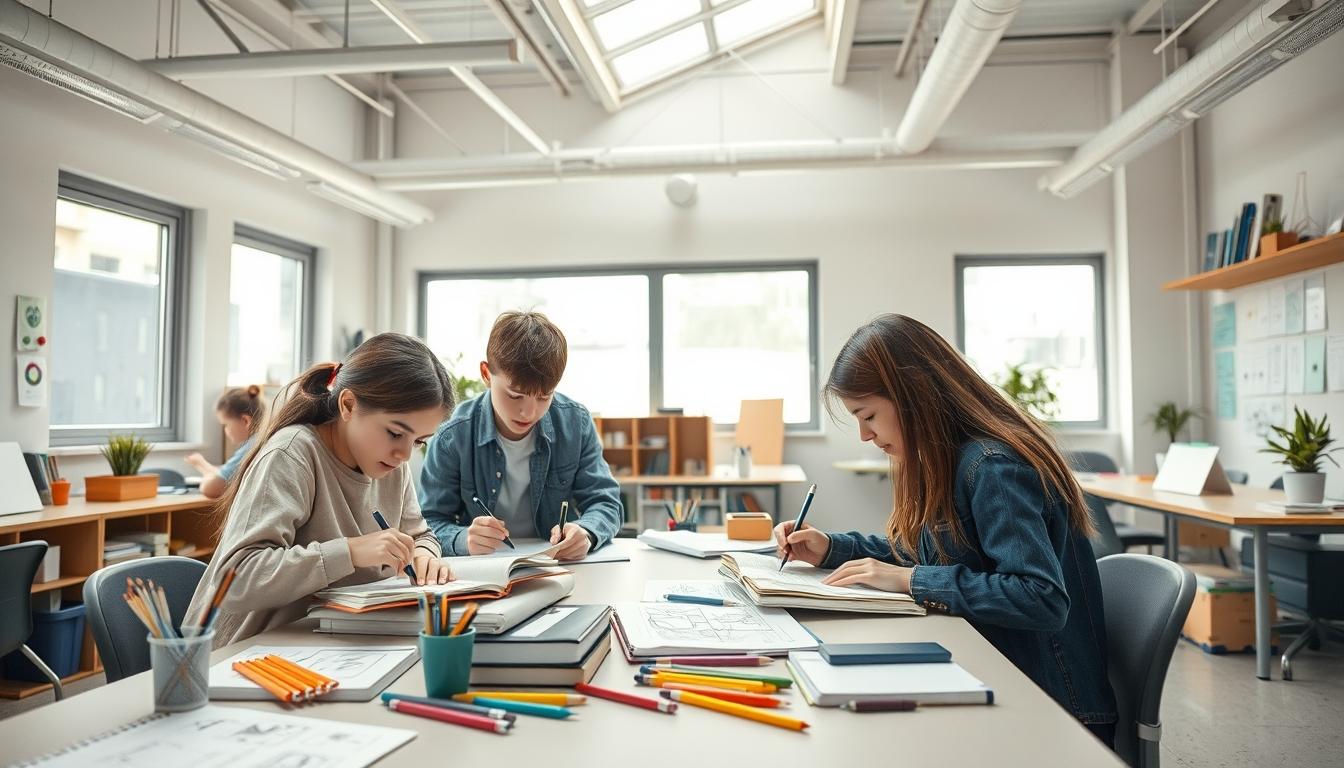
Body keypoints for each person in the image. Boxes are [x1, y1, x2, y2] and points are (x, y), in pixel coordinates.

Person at [775, 314, 1116, 744]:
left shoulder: (993, 465)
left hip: (1055, 708)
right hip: (1005, 672)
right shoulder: (951, 459)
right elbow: (928, 551)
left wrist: (912, 580)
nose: (865, 435)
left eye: (869, 416)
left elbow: (1040, 598)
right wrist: (830, 549)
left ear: (913, 395)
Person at [186, 333, 456, 646]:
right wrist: (351, 551)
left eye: (419, 441)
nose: (405, 454)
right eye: (396, 433)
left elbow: (419, 534)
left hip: (325, 644)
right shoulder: (291, 454)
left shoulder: (389, 461)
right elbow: (235, 578)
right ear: (348, 405)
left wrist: (424, 553)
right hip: (242, 654)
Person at [420, 310, 622, 559]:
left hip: (558, 568)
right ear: (486, 374)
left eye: (544, 396)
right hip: (484, 572)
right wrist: (463, 539)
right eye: (515, 395)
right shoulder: (453, 436)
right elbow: (428, 522)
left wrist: (587, 532)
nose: (529, 412)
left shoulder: (576, 423)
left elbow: (606, 503)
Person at [186, 385, 266, 499]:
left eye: (226, 425)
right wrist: (201, 464)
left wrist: (205, 476)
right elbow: (227, 474)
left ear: (245, 421)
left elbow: (210, 488)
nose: (225, 431)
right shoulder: (264, 441)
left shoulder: (250, 448)